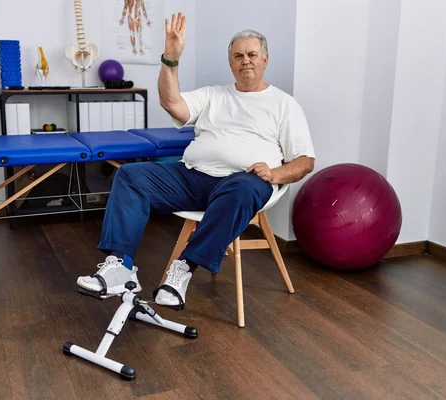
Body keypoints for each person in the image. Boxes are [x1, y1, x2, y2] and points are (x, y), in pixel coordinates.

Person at [77, 12, 315, 310]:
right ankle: (120, 268)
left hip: (244, 182)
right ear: (230, 63)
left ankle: (183, 269)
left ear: (265, 59)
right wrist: (170, 59)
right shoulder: (214, 95)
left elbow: (305, 161)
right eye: (238, 56)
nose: (246, 61)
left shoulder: (284, 105)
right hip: (193, 176)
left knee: (242, 189)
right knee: (131, 176)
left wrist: (276, 173)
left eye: (252, 54)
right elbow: (172, 104)